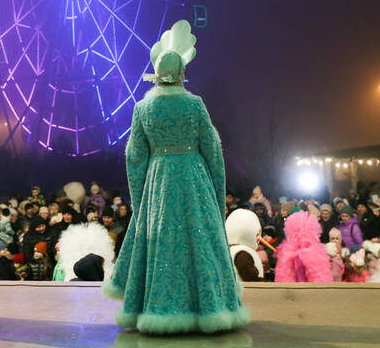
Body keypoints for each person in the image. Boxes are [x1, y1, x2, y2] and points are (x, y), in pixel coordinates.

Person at [103, 20, 249, 334]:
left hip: (159, 183)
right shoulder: (195, 105)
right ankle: (209, 310)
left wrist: (140, 198)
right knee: (199, 239)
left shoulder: (142, 109)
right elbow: (213, 151)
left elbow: (134, 158)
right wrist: (216, 190)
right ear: (183, 73)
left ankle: (157, 309)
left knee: (162, 242)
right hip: (194, 181)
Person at [225, 208, 264, 282]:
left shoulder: (228, 251)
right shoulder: (242, 253)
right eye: (258, 234)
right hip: (247, 292)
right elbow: (249, 275)